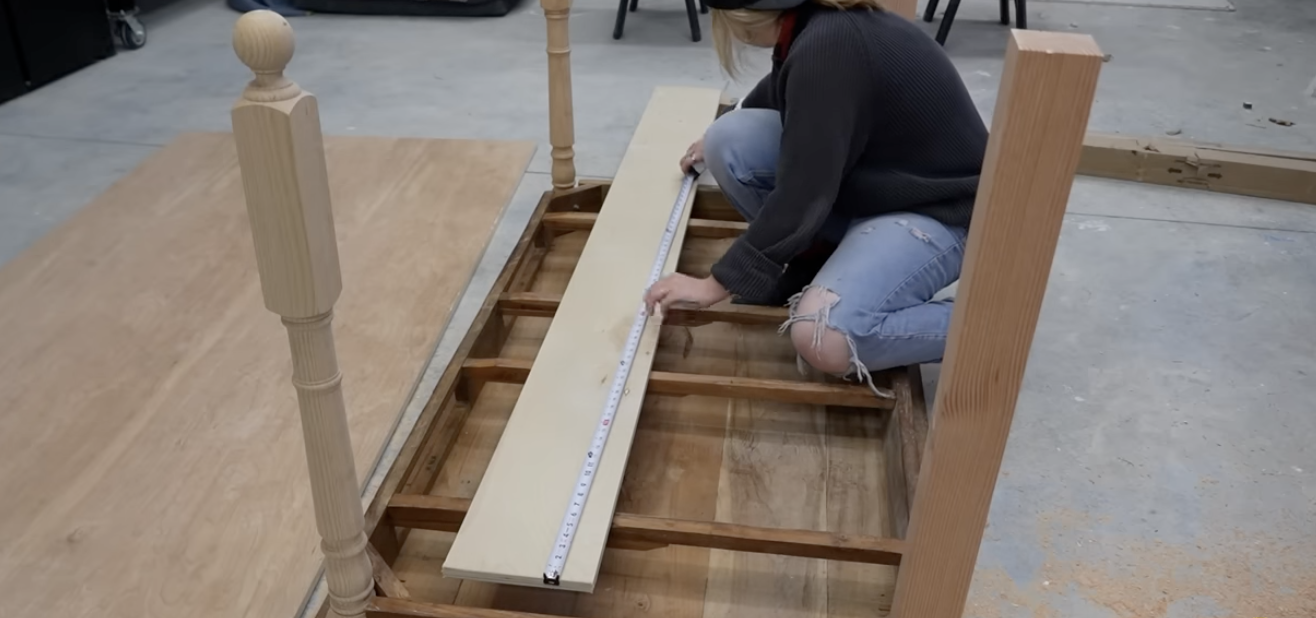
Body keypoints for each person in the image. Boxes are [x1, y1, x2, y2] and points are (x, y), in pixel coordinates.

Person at [641, 0, 988, 389]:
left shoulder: (829, 50)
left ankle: (987, 331)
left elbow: (803, 193)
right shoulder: (816, 22)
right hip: (881, 181)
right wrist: (716, 131)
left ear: (742, 20)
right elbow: (785, 90)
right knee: (729, 140)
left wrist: (714, 284)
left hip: (940, 208)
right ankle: (822, 257)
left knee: (822, 336)